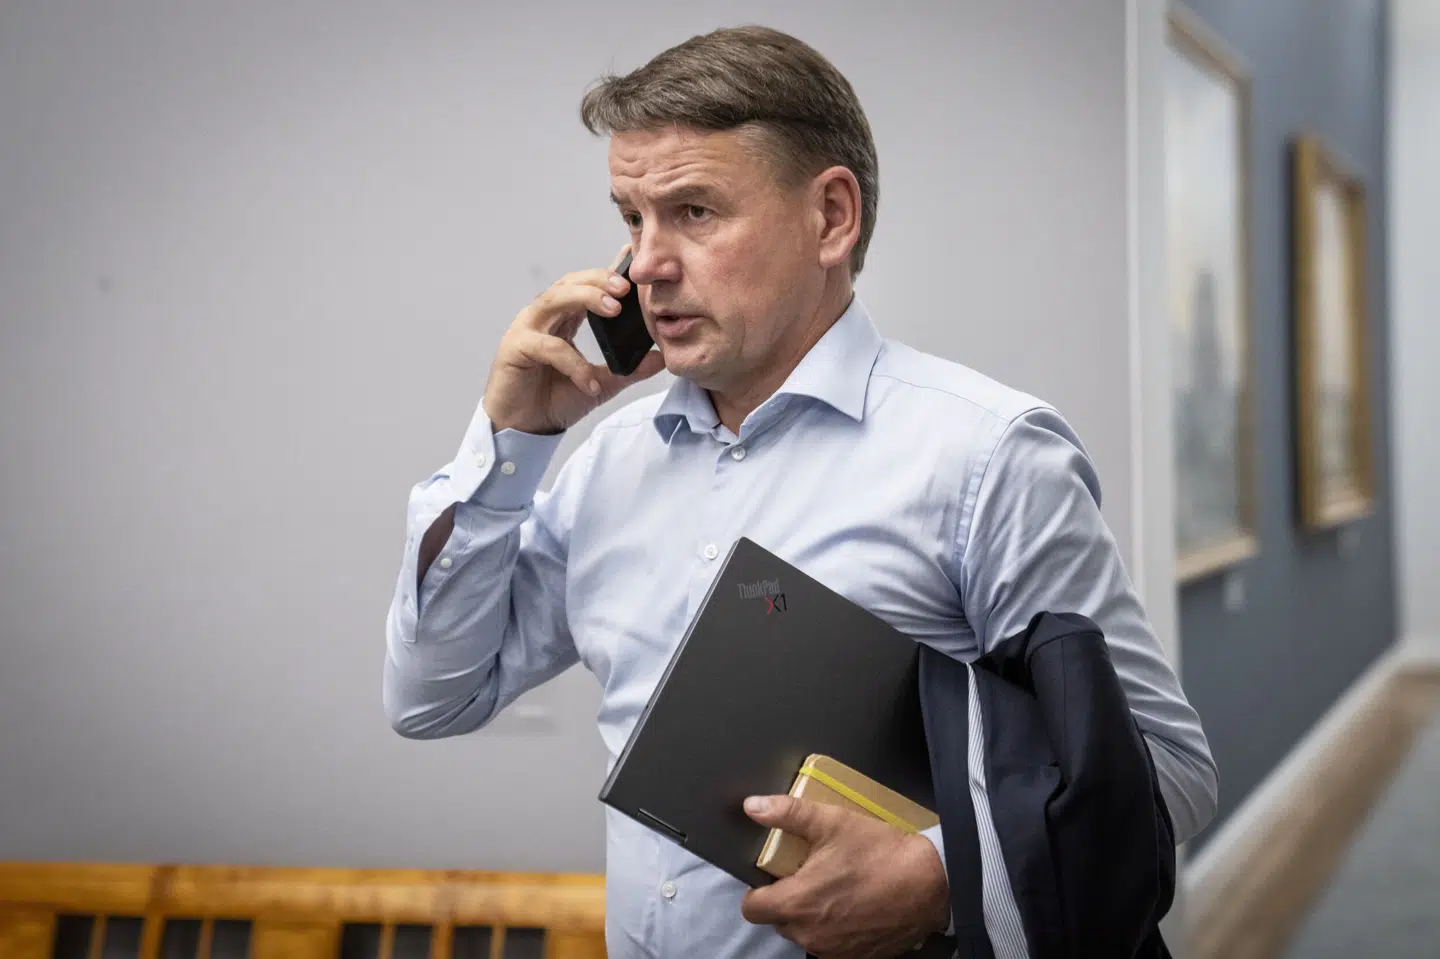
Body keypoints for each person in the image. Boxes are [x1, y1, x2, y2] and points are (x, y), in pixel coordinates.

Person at [383, 24, 1217, 959]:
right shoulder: (605, 465)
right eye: (631, 217)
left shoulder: (988, 458)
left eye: (693, 212)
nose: (647, 264)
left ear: (831, 218)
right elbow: (432, 698)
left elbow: (1166, 776)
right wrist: (509, 447)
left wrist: (935, 877)